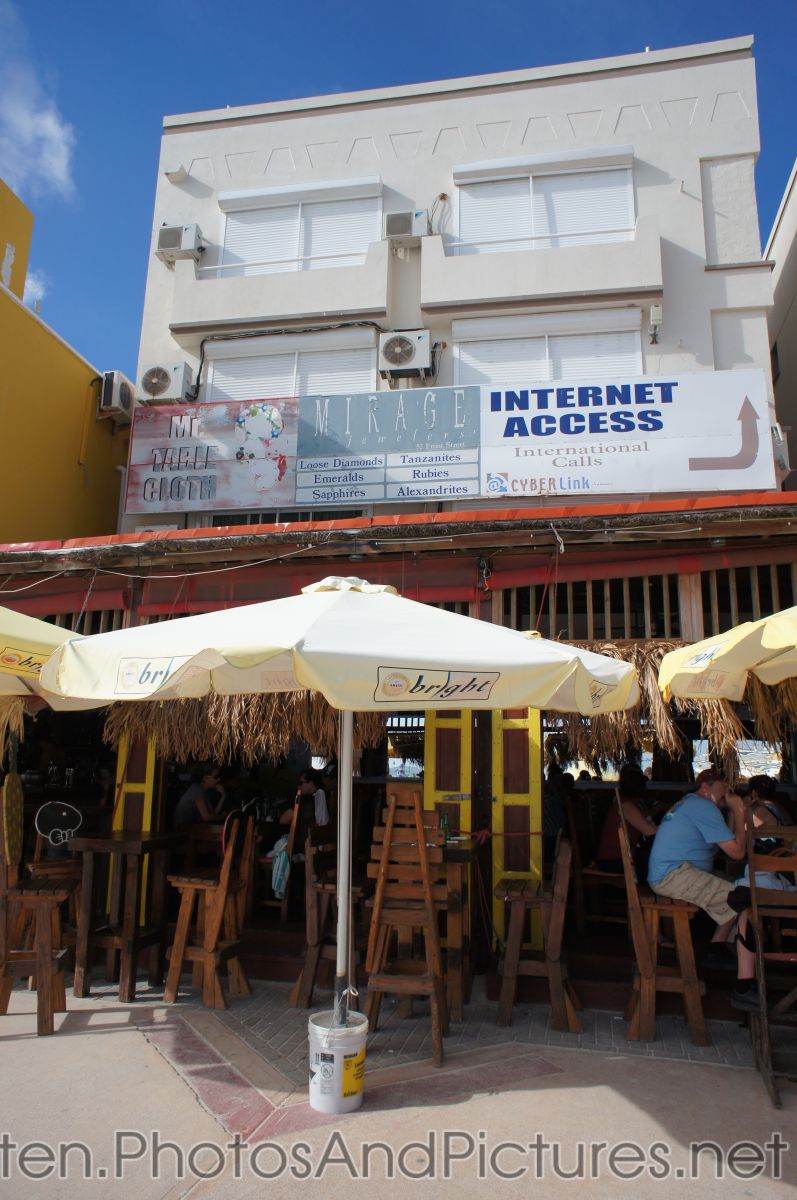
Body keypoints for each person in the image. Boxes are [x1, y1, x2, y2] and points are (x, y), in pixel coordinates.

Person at [647, 768, 746, 968]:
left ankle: (727, 948)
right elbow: (737, 853)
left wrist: (731, 812)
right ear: (704, 787)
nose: (727, 791)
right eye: (723, 786)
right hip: (673, 876)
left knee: (738, 885)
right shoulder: (703, 807)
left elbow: (725, 842)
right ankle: (716, 950)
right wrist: (739, 810)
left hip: (672, 873)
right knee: (740, 895)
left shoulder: (690, 803)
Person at [594, 763, 657, 873]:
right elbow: (649, 831)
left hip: (617, 859)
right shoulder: (625, 805)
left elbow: (643, 816)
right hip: (613, 861)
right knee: (657, 863)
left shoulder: (627, 802)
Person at [172, 764, 225, 830]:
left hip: (190, 828)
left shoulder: (205, 793)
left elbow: (213, 814)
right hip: (181, 829)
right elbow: (206, 817)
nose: (219, 780)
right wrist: (222, 817)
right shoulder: (197, 789)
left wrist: (223, 797)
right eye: (216, 777)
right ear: (205, 778)